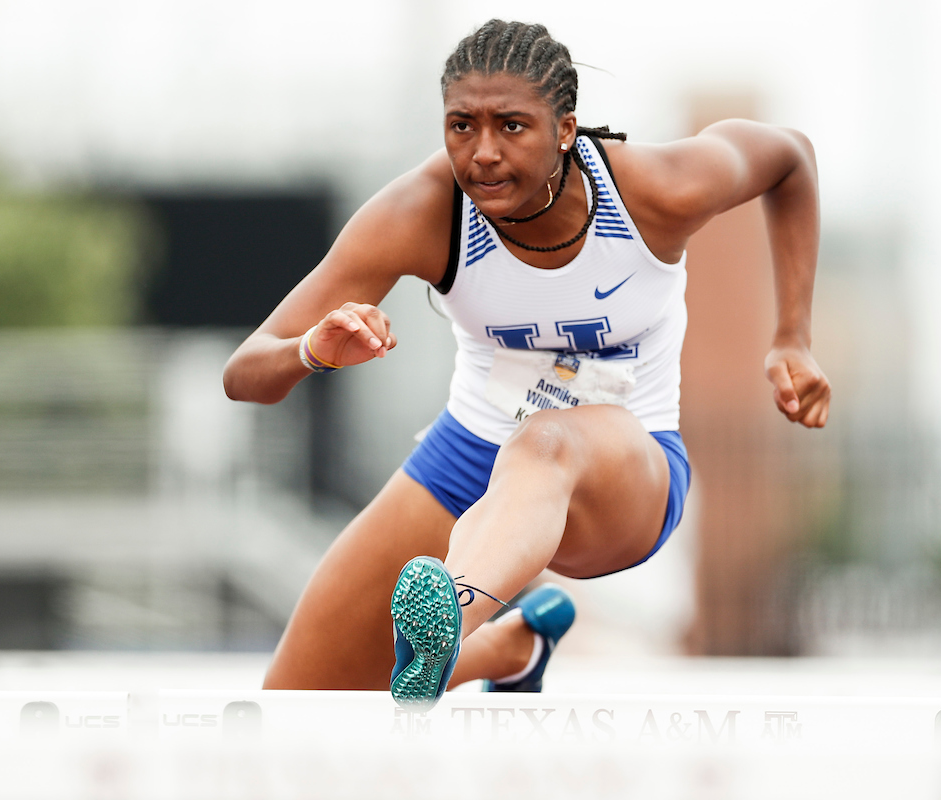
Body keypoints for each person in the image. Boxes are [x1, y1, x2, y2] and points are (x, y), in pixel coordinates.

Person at [223, 20, 830, 708]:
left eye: (511, 127)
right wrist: (312, 350)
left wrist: (792, 336)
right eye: (461, 127)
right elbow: (245, 372)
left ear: (565, 130)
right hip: (468, 461)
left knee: (544, 443)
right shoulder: (421, 212)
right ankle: (505, 648)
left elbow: (791, 158)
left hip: (621, 473)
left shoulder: (654, 191)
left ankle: (450, 616)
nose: (482, 154)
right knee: (294, 702)